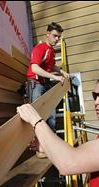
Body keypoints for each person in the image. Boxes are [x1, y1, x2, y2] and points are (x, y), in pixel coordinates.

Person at [26, 22, 70, 158]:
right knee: (38, 115)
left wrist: (61, 72)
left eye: (59, 37)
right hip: (36, 84)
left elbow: (51, 66)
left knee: (51, 115)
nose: (57, 39)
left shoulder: (50, 51)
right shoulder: (40, 48)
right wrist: (54, 77)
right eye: (55, 36)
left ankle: (49, 146)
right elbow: (34, 68)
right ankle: (39, 149)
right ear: (48, 34)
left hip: (44, 84)